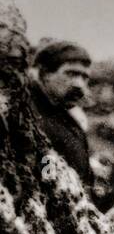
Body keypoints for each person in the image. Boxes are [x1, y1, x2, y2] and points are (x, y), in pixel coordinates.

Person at [31, 39, 92, 184]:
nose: (79, 84)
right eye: (71, 74)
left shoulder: (63, 112)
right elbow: (48, 179)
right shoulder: (29, 115)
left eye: (84, 77)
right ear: (45, 74)